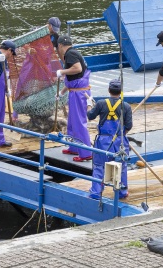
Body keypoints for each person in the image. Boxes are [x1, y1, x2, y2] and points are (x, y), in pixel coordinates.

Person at [87, 79, 132, 200]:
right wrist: (120, 135)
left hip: (103, 141)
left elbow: (90, 116)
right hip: (119, 141)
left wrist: (89, 105)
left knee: (99, 166)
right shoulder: (126, 106)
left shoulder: (101, 103)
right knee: (121, 166)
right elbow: (129, 126)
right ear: (121, 91)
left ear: (109, 90)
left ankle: (96, 192)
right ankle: (122, 191)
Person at [56, 34, 93, 162]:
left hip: (79, 94)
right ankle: (74, 147)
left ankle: (86, 152)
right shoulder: (75, 53)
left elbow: (77, 69)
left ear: (60, 45)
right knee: (72, 122)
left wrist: (62, 71)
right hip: (75, 91)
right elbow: (74, 79)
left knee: (78, 123)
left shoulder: (70, 54)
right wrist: (61, 92)